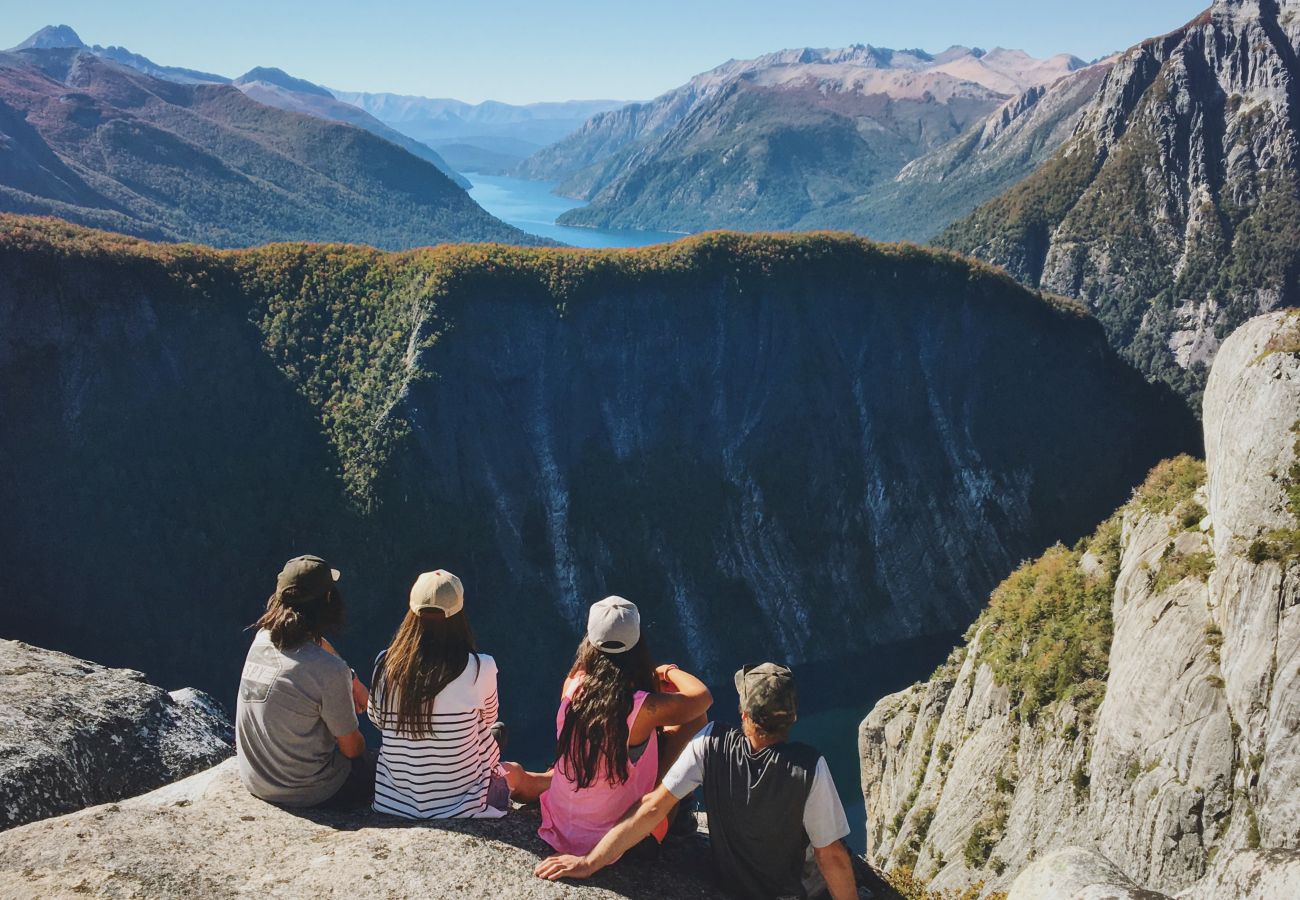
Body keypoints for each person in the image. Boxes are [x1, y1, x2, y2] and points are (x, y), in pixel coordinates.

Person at [534, 662, 858, 900]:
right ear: (793, 717)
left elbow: (651, 808)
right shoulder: (808, 768)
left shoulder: (711, 743)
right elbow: (830, 856)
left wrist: (589, 862)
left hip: (731, 886)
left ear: (744, 714)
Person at [522, 596, 712, 859]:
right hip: (618, 842)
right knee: (693, 721)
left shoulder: (573, 685)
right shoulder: (641, 707)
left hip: (560, 827)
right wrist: (666, 671)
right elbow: (702, 699)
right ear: (637, 643)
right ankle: (660, 794)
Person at [368, 569, 511, 819]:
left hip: (394, 802)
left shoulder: (384, 663)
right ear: (459, 612)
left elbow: (377, 719)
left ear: (411, 610)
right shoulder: (480, 667)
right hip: (462, 803)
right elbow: (487, 718)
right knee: (495, 730)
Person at [235, 555, 373, 808]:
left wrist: (350, 679)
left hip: (256, 779)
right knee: (382, 767)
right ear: (329, 602)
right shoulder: (328, 671)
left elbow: (313, 646)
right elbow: (352, 749)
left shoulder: (263, 639)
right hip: (309, 791)